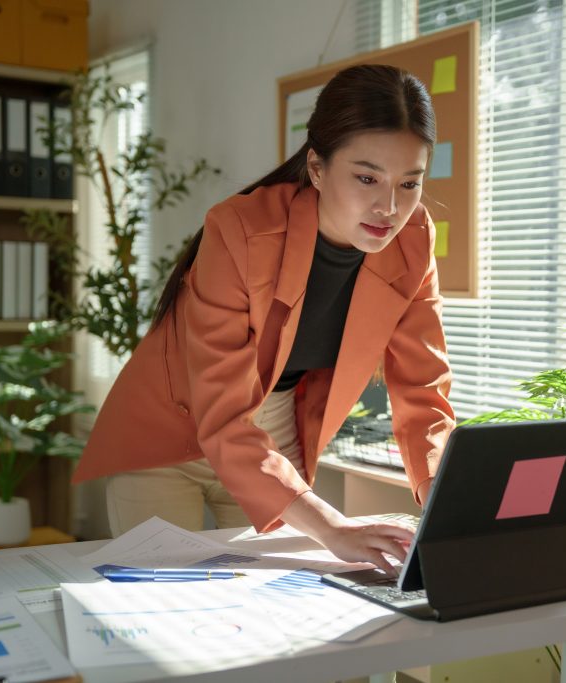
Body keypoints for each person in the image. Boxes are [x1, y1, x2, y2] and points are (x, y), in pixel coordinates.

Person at [72, 64, 456, 573]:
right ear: (317, 168)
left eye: (409, 183)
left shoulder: (414, 238)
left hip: (271, 436)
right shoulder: (239, 229)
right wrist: (333, 526)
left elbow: (422, 390)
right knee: (164, 607)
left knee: (271, 623)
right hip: (172, 431)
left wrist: (446, 504)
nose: (389, 206)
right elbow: (222, 415)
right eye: (367, 177)